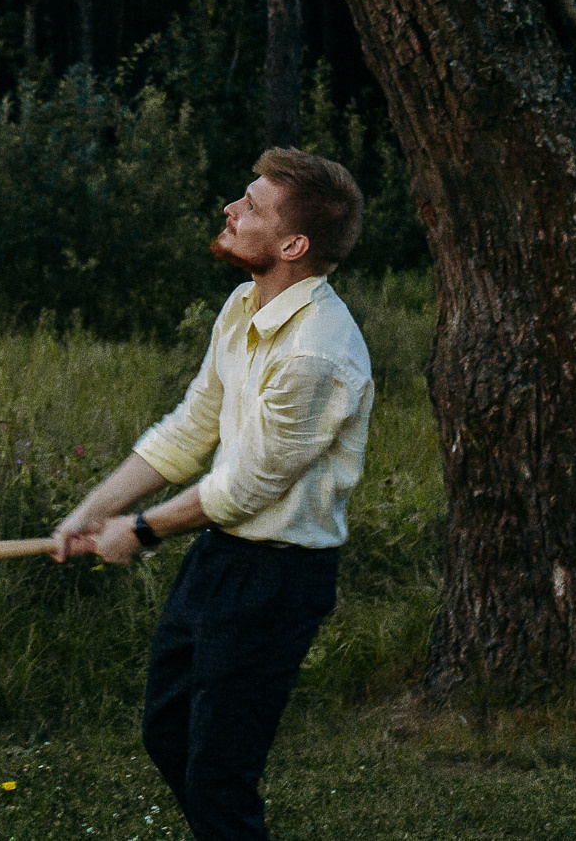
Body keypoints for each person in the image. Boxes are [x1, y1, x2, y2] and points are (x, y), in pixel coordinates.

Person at [50, 147, 374, 841]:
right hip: (220, 557)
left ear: (293, 243)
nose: (231, 209)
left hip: (279, 577)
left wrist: (137, 531)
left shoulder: (317, 353)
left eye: (252, 206)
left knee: (219, 775)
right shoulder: (242, 305)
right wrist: (94, 509)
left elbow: (243, 486)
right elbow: (190, 429)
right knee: (167, 733)